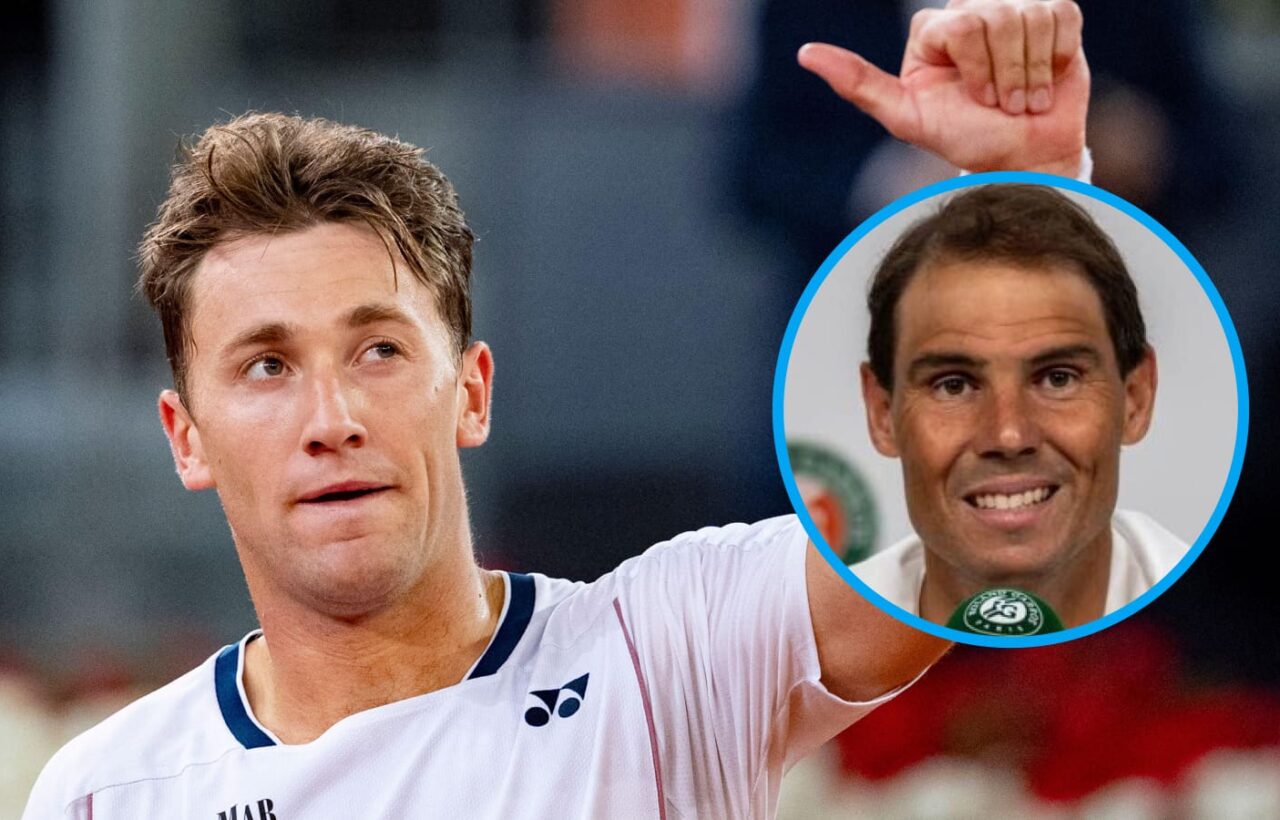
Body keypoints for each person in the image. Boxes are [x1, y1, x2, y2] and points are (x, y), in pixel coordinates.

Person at [24, 2, 1088, 816]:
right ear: (187, 439)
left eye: (379, 349)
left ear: (471, 392)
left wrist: (1027, 196)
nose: (331, 416)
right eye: (267, 367)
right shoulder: (108, 794)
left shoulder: (672, 650)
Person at [851, 183, 1189, 631]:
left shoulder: (1232, 642)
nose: (1008, 435)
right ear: (882, 414)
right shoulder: (810, 642)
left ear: (1135, 399)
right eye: (953, 385)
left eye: (1058, 378)